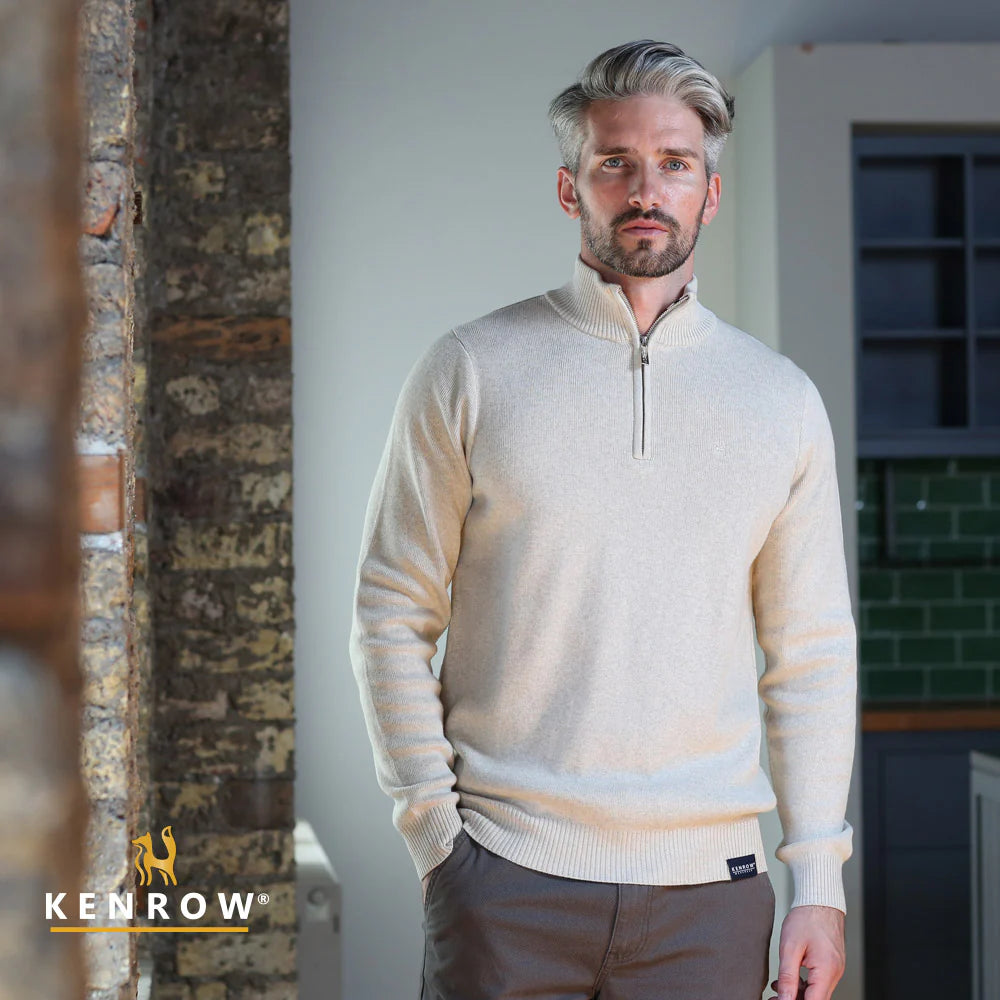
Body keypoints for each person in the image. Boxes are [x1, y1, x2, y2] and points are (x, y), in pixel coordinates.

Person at [349, 38, 855, 1000]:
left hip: (712, 897)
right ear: (568, 187)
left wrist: (819, 883)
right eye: (615, 162)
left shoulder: (780, 401)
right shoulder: (471, 368)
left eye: (675, 164)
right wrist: (435, 834)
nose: (646, 189)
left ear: (710, 192)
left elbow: (813, 655)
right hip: (505, 878)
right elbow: (390, 608)